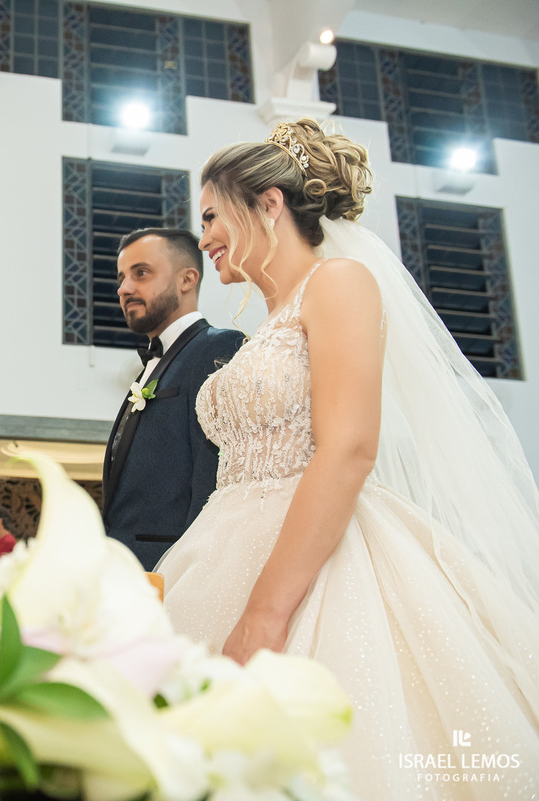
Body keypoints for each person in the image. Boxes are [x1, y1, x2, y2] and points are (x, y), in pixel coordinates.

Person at [158, 119, 539, 799]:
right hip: (223, 545)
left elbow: (350, 447)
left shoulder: (338, 282)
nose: (205, 235)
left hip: (317, 561)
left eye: (212, 215)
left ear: (269, 204)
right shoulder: (266, 325)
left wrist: (266, 613)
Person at [102, 228, 244, 569]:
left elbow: (215, 480)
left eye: (141, 273)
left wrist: (193, 571)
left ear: (187, 279)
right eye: (121, 278)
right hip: (129, 573)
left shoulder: (217, 347)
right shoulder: (151, 365)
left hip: (174, 571)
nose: (124, 288)